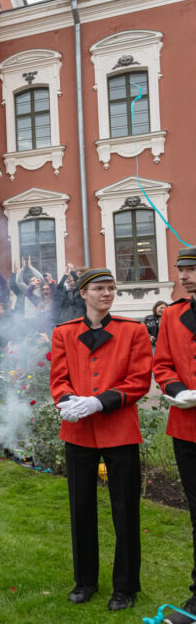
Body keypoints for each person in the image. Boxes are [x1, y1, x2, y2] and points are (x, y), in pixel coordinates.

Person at [50, 267, 152, 612]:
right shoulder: (64, 332)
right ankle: (85, 581)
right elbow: (58, 379)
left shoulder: (133, 330)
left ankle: (125, 586)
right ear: (83, 293)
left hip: (119, 429)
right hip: (79, 431)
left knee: (125, 510)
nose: (107, 294)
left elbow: (139, 380)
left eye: (111, 288)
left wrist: (99, 401)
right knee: (80, 507)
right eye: (99, 288)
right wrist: (68, 402)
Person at [151, 246, 196, 624]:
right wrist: (178, 390)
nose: (183, 276)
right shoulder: (172, 314)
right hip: (187, 428)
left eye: (191, 269)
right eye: (181, 269)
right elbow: (162, 363)